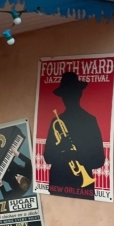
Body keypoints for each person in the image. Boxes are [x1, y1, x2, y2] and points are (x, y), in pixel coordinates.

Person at [43, 71, 105, 200]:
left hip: (81, 186)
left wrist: (75, 154)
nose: (68, 98)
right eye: (66, 95)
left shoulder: (89, 121)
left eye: (71, 94)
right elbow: (47, 157)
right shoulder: (56, 122)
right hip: (59, 183)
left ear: (79, 94)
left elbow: (99, 160)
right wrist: (62, 148)